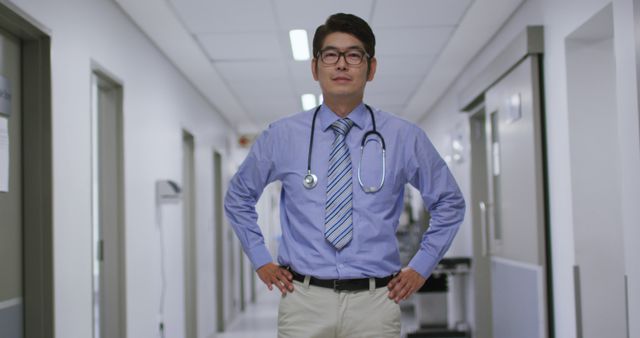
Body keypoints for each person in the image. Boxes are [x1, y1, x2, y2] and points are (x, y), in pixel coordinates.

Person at [224, 13, 465, 338]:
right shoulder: (281, 136)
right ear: (315, 67)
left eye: (353, 55)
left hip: (376, 302)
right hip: (303, 303)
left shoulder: (404, 137)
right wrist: (260, 258)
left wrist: (422, 266)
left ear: (371, 68)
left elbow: (450, 203)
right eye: (330, 55)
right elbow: (238, 197)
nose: (341, 65)